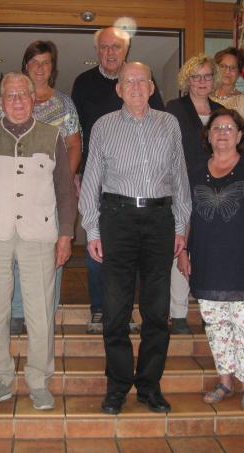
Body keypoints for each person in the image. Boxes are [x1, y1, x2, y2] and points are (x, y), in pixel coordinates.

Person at [0, 72, 76, 411]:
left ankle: (39, 380)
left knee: (40, 312)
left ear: (33, 98)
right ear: (1, 101)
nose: (19, 100)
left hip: (40, 234)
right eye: (11, 95)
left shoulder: (52, 136)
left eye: (24, 94)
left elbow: (66, 191)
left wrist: (66, 233)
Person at [79, 62, 191, 415]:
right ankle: (117, 387)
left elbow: (180, 179)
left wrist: (181, 227)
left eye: (143, 80)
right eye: (129, 81)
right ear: (118, 89)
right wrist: (93, 229)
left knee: (157, 311)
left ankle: (149, 386)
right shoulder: (103, 126)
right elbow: (91, 182)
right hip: (117, 219)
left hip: (160, 219)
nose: (136, 86)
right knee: (115, 310)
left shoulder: (169, 123)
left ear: (153, 86)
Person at [177, 107, 244, 411]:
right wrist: (183, 252)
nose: (222, 133)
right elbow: (185, 215)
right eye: (216, 128)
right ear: (208, 136)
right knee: (217, 325)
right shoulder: (194, 170)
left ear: (240, 135)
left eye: (228, 128)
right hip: (208, 262)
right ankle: (224, 381)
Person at [71, 27, 165, 334]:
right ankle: (99, 309)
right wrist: (77, 174)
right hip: (97, 178)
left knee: (133, 248)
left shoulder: (143, 83)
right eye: (105, 47)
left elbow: (159, 129)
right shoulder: (83, 84)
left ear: (126, 51)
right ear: (97, 51)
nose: (111, 53)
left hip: (136, 183)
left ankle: (125, 310)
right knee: (97, 242)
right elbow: (76, 134)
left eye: (117, 47)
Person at [0, 40, 82, 335]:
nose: (40, 68)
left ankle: (42, 315)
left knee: (49, 257)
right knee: (16, 254)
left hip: (49, 196)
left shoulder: (64, 103)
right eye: (34, 63)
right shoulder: (7, 101)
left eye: (45, 62)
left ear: (52, 67)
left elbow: (74, 145)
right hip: (13, 194)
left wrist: (61, 184)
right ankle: (17, 313)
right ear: (25, 66)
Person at [164, 53, 222, 334]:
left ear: (214, 80)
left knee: (209, 249)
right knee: (181, 246)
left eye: (207, 76)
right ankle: (177, 313)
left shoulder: (222, 111)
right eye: (196, 76)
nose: (202, 81)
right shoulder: (174, 108)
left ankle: (210, 307)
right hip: (182, 187)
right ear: (187, 80)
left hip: (215, 190)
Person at [209, 47, 244, 129]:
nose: (227, 71)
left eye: (233, 68)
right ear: (215, 69)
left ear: (239, 73)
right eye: (223, 66)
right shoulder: (206, 98)